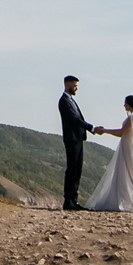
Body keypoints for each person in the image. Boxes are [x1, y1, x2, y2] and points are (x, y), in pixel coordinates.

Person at [57, 75, 95, 210]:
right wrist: (91, 128)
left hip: (77, 139)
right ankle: (68, 201)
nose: (76, 88)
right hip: (71, 139)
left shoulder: (70, 100)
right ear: (67, 85)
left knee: (77, 169)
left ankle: (74, 199)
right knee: (72, 169)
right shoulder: (64, 101)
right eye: (75, 86)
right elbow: (74, 119)